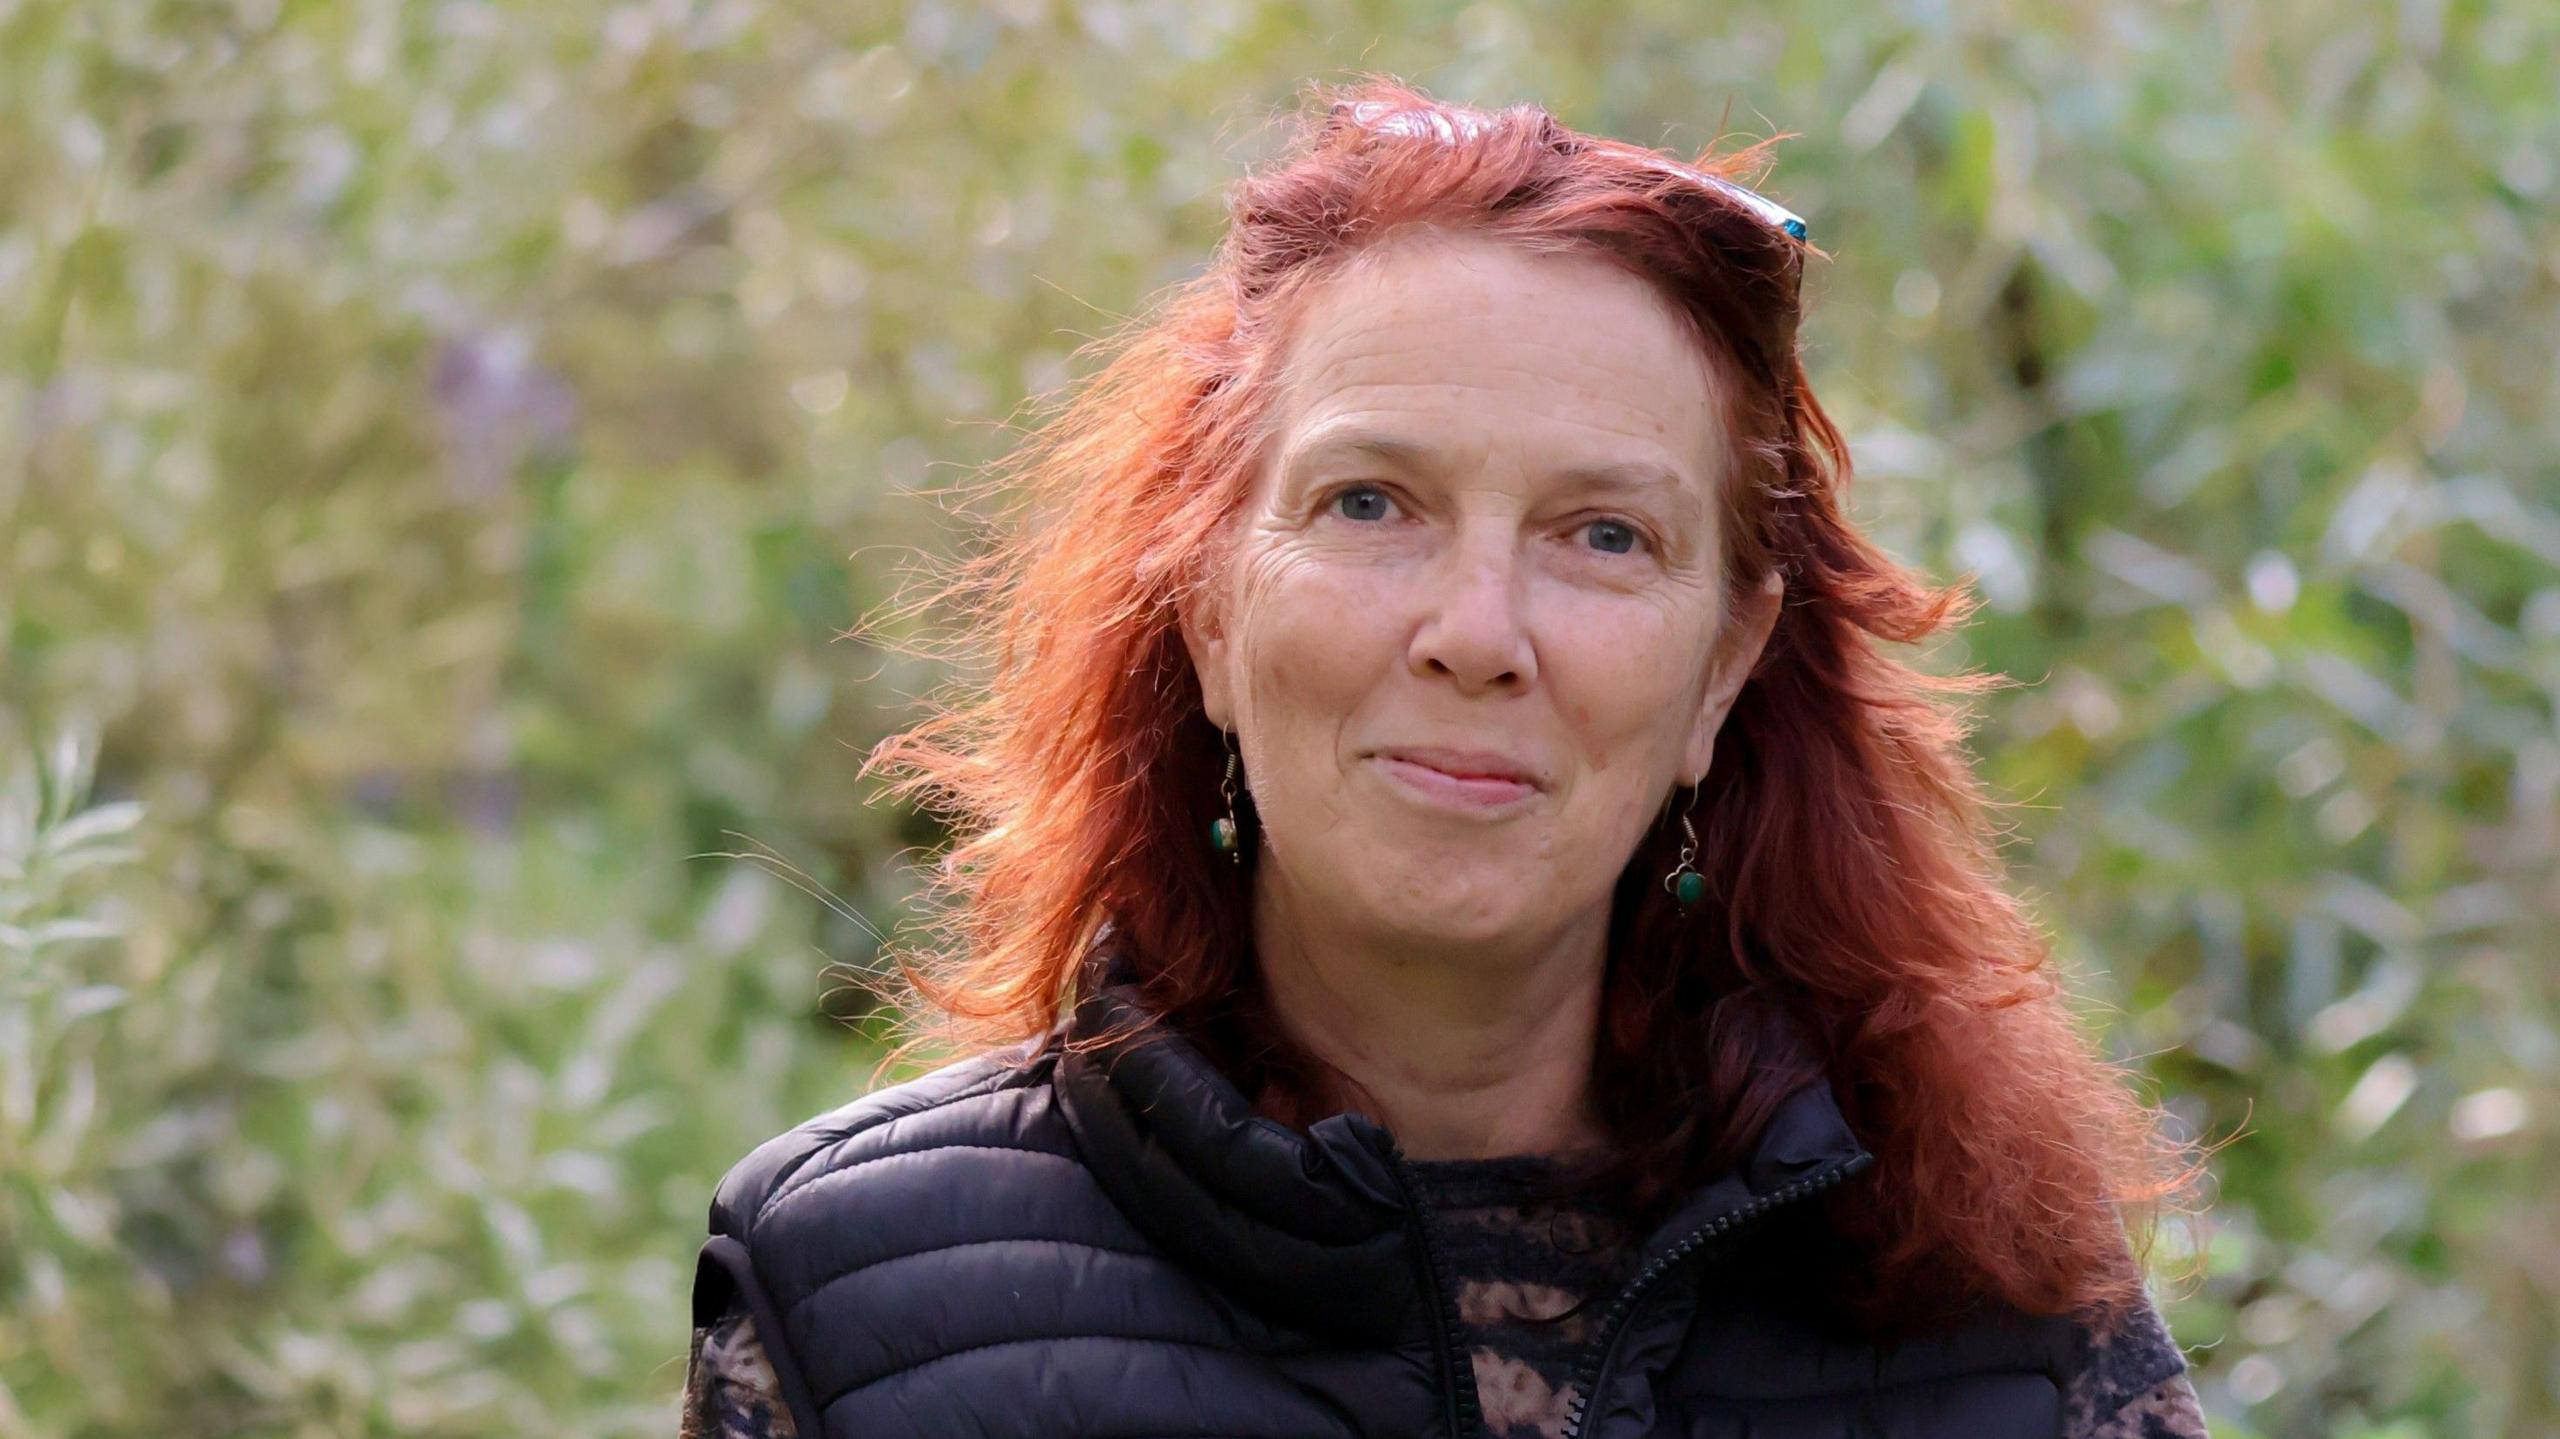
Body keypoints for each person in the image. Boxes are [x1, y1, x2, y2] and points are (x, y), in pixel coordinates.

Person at [680, 75, 2213, 1439]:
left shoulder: (2000, 1311)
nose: (1478, 634)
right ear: (1208, 608)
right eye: (1369, 503)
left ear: (1722, 673)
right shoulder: (850, 1309)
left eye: (1604, 536)